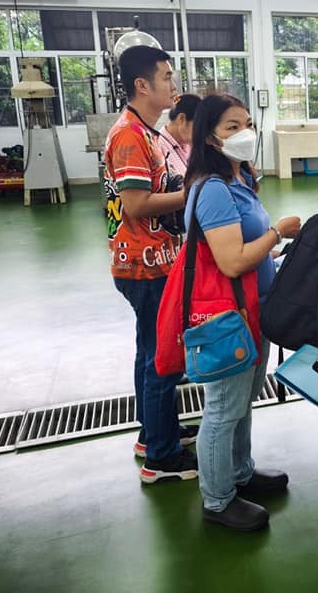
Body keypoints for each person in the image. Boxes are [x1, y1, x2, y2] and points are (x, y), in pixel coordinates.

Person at [183, 94, 302, 530]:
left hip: (253, 309)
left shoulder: (240, 178)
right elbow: (232, 261)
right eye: (232, 127)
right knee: (223, 408)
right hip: (227, 316)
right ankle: (217, 500)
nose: (245, 133)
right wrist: (277, 233)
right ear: (209, 137)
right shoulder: (213, 189)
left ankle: (239, 472)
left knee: (242, 401)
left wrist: (276, 251)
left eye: (247, 123)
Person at [103, 45, 197, 481]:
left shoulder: (147, 132)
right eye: (166, 76)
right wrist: (191, 193)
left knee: (149, 352)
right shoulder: (129, 136)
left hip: (155, 259)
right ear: (142, 85)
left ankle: (154, 432)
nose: (173, 84)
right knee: (163, 359)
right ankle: (162, 457)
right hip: (144, 266)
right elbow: (137, 204)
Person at [157, 93, 201, 179]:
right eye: (199, 126)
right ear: (182, 119)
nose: (201, 132)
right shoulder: (159, 148)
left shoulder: (189, 144)